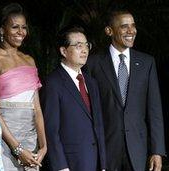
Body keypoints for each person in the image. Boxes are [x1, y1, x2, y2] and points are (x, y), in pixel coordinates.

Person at [85, 9, 166, 171]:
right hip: (105, 150)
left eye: (133, 26)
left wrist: (157, 151)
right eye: (124, 26)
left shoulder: (146, 63)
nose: (131, 31)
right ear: (109, 31)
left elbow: (154, 109)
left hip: (138, 150)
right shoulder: (92, 63)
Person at [0, 3, 46, 171]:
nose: (21, 32)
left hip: (31, 141)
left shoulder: (29, 60)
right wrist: (17, 148)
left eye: (24, 27)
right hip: (4, 141)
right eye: (15, 27)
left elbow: (37, 109)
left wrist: (43, 146)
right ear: (2, 30)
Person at [41, 25, 106, 171]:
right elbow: (51, 130)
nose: (84, 50)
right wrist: (61, 166)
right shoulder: (53, 83)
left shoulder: (91, 82)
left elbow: (99, 125)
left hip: (96, 162)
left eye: (86, 45)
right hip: (70, 164)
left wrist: (103, 163)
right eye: (78, 46)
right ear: (64, 51)